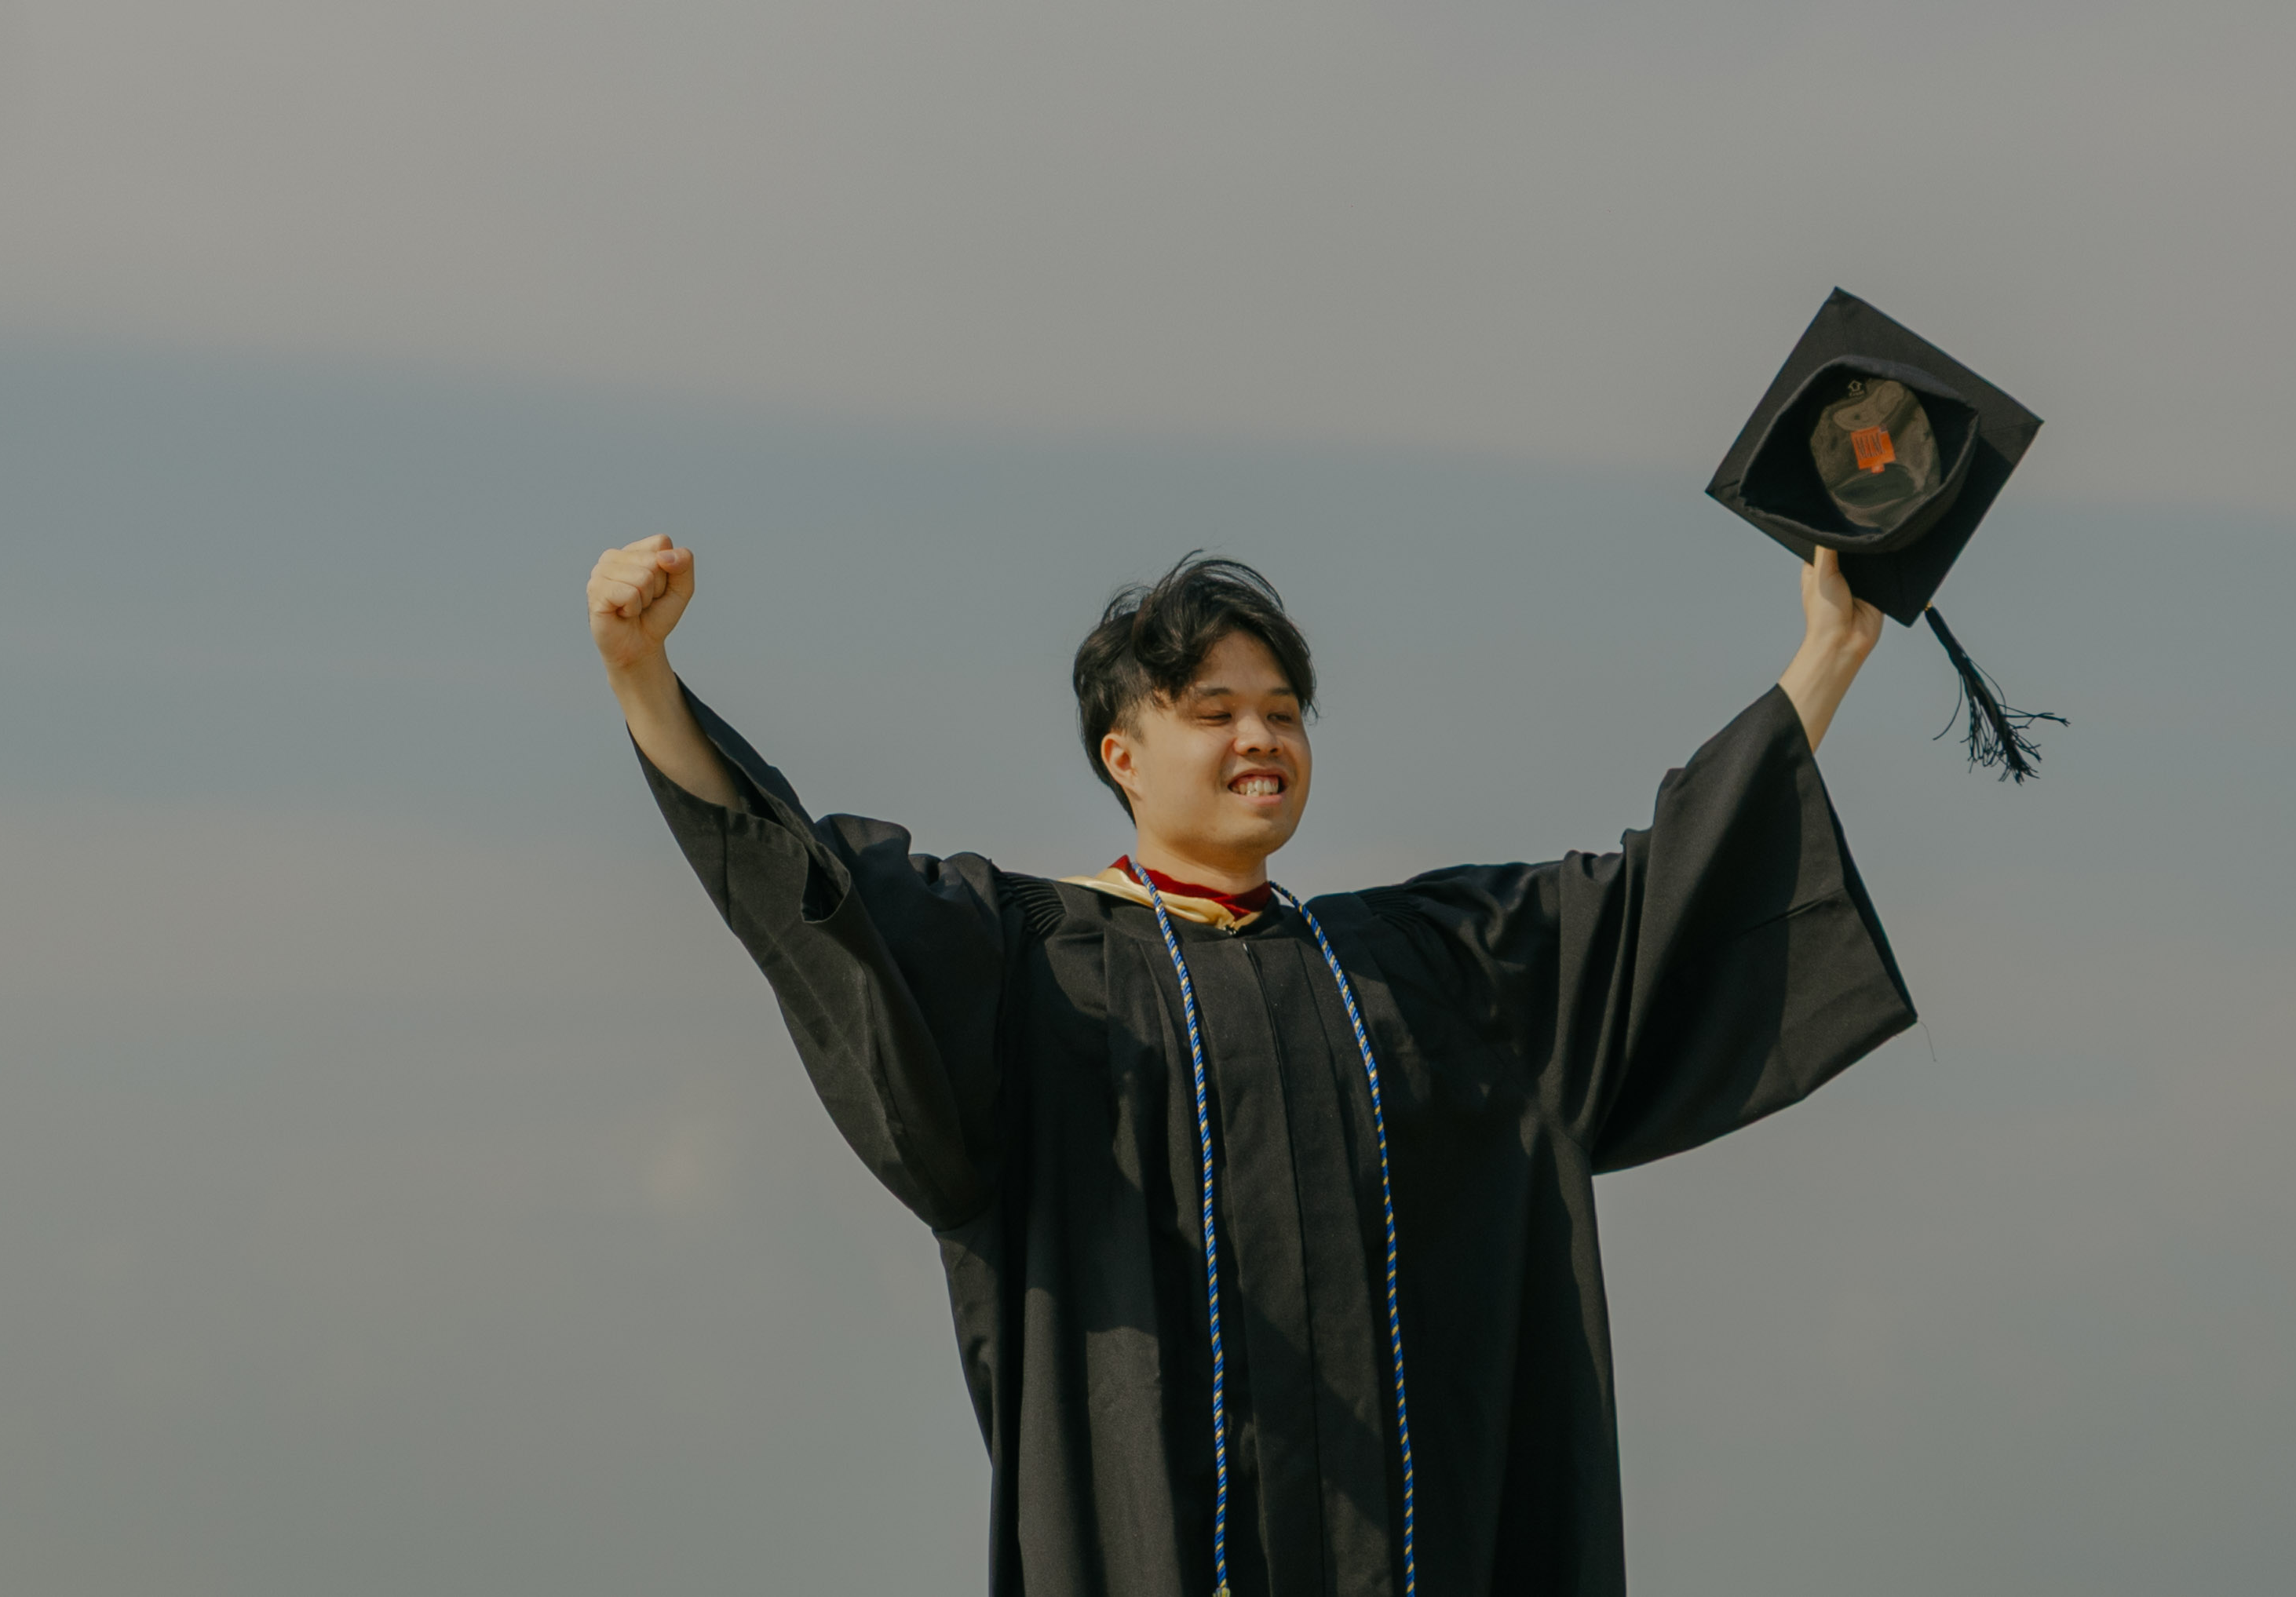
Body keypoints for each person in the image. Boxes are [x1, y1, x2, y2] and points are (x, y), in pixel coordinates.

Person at [590, 531, 1911, 1597]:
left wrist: (1828, 655)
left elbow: (1651, 900)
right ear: (1123, 753)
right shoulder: (1031, 965)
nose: (1259, 740)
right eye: (1212, 710)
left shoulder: (1420, 969)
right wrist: (643, 675)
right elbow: (810, 897)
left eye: (1282, 711)